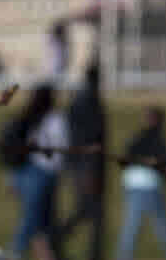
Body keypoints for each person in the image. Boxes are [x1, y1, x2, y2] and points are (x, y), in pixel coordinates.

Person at [2, 83, 67, 260]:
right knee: (32, 220)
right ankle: (14, 254)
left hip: (35, 172)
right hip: (40, 172)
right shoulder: (53, 118)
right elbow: (60, 146)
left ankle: (46, 255)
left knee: (41, 223)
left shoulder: (32, 117)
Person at [117, 102, 166, 260]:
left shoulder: (136, 137)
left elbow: (124, 159)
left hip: (133, 185)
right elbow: (165, 161)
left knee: (131, 229)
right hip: (150, 186)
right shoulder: (160, 139)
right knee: (163, 229)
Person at [62, 66, 110, 260]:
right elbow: (91, 138)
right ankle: (56, 237)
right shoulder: (91, 101)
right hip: (88, 165)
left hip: (79, 163)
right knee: (91, 211)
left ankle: (58, 238)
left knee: (88, 210)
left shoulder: (78, 99)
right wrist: (91, 169)